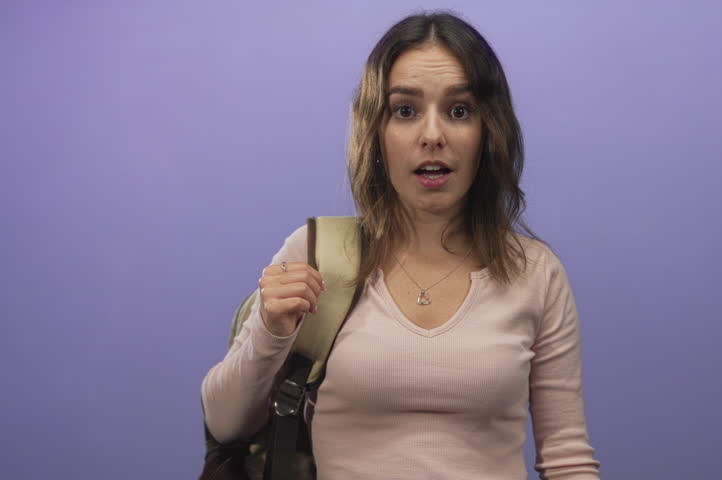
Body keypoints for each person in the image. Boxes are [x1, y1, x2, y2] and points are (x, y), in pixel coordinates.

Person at [202, 11, 601, 479]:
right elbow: (225, 422)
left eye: (459, 110)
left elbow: (566, 459)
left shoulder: (536, 272)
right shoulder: (316, 252)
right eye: (405, 110)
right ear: (376, 132)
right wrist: (270, 330)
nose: (432, 136)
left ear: (488, 132)